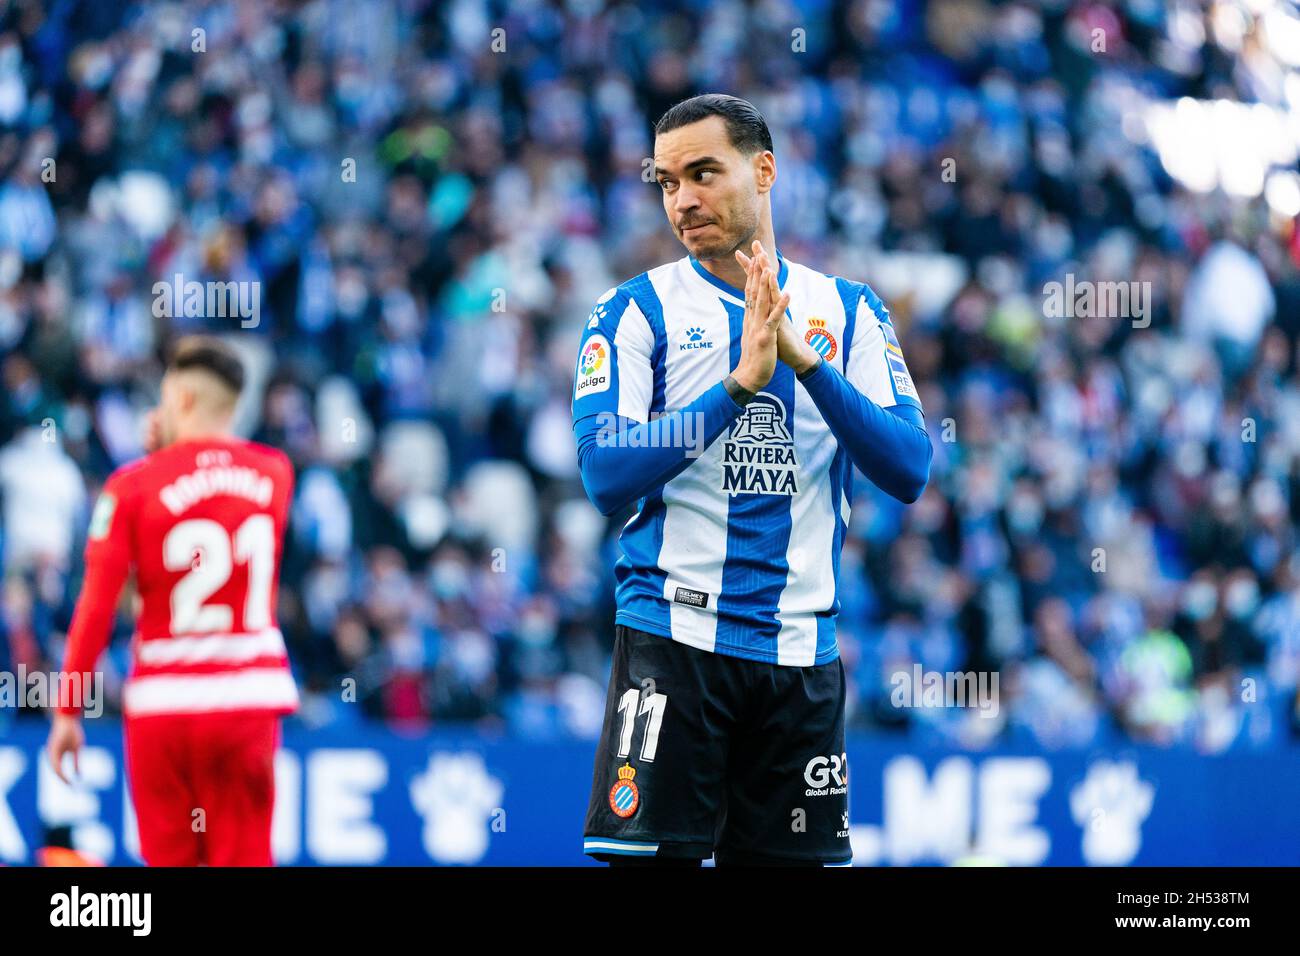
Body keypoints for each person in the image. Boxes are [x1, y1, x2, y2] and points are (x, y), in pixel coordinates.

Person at [574, 94, 932, 866]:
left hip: (801, 659)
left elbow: (909, 468)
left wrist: (807, 365)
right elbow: (605, 474)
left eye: (703, 173)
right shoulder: (632, 311)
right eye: (667, 182)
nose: (683, 199)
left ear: (764, 170)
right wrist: (737, 386)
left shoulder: (848, 310)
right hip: (672, 642)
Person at [47, 336, 298, 866]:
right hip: (245, 702)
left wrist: (68, 709)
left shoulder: (130, 487)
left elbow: (98, 604)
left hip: (162, 707)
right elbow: (210, 495)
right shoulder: (276, 473)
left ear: (180, 399)